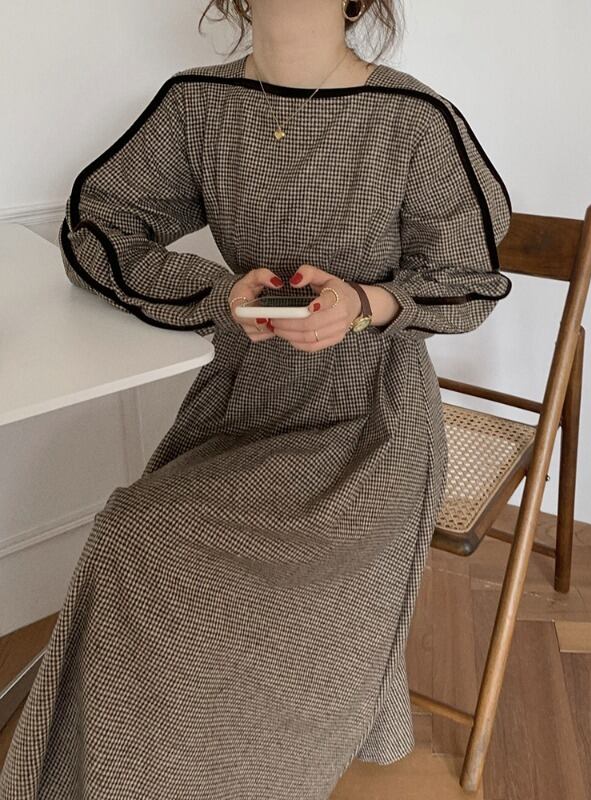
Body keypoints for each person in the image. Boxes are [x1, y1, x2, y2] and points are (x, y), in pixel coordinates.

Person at [0, 0, 513, 797]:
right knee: (135, 536)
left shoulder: (415, 119)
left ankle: (248, 765)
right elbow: (97, 228)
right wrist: (220, 292)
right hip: (243, 399)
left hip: (371, 420)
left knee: (152, 542)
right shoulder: (198, 103)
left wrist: (364, 303)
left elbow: (468, 280)